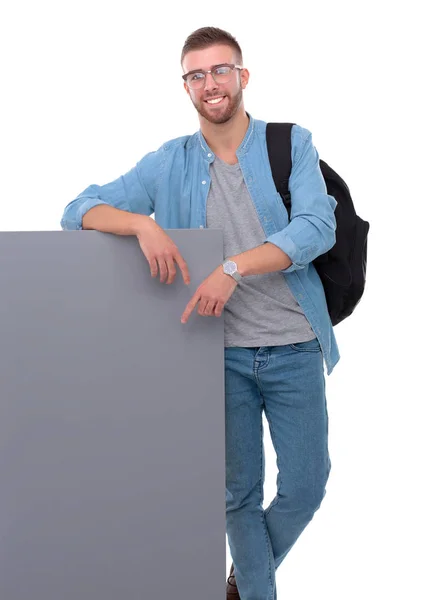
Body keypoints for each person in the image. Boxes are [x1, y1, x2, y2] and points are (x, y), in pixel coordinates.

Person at [61, 26, 339, 600]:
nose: (209, 84)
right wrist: (142, 223)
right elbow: (78, 209)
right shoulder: (169, 162)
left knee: (307, 488)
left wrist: (232, 267)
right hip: (217, 355)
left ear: (242, 76)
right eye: (196, 75)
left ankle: (244, 576)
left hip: (295, 345)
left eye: (219, 70)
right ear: (185, 86)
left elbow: (317, 227)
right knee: (237, 495)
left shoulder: (292, 143)